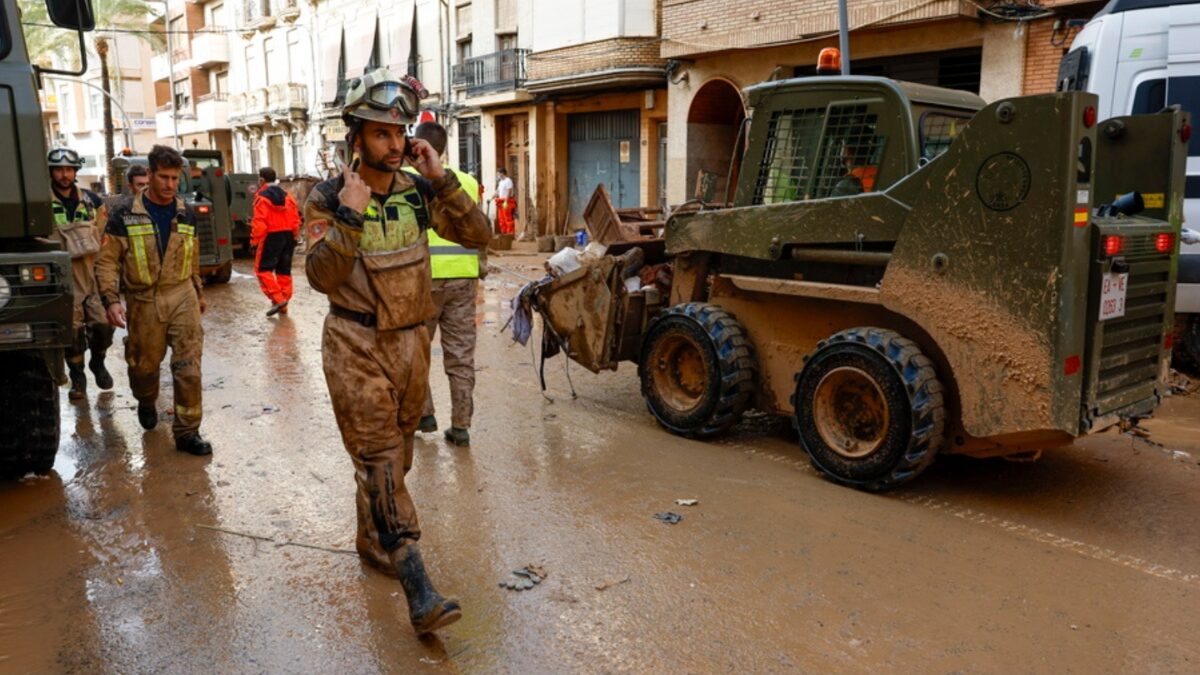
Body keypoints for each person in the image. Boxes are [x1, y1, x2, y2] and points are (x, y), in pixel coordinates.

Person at [303, 69, 491, 634]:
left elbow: (479, 236)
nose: (393, 143)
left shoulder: (417, 190)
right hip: (356, 344)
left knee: (395, 460)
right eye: (380, 133)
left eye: (399, 132)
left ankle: (372, 542)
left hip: (413, 343)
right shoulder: (329, 197)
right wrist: (351, 215)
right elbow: (319, 275)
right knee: (382, 461)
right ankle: (417, 583)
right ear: (356, 137)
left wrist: (444, 181)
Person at [96, 145, 212, 456]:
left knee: (188, 368)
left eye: (175, 178)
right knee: (143, 368)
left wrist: (198, 292)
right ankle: (146, 400)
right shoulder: (123, 214)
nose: (170, 184)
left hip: (181, 295)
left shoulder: (185, 212)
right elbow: (107, 261)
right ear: (149, 175)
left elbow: (193, 257)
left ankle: (188, 432)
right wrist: (111, 300)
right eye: (163, 177)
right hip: (144, 300)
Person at [406, 122, 485, 447]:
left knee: (416, 350)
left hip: (424, 278)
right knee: (461, 353)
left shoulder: (411, 180)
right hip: (464, 277)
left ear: (419, 146)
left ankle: (424, 416)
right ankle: (461, 425)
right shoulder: (465, 180)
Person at [46, 147, 115, 401]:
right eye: (59, 170)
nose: (64, 175)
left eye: (69, 170)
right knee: (72, 332)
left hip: (91, 275)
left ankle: (98, 361)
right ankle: (78, 376)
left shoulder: (92, 202)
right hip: (64, 279)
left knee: (103, 326)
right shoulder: (41, 203)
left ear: (75, 171)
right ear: (51, 172)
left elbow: (104, 239)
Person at [250, 166, 301, 316]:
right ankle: (284, 304)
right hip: (288, 236)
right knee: (283, 271)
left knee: (263, 270)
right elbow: (295, 219)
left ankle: (279, 300)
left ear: (262, 180)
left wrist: (254, 242)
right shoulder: (287, 196)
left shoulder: (261, 197)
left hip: (271, 236)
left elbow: (259, 223)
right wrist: (295, 235)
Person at [493, 167, 515, 235]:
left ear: (502, 173)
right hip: (500, 202)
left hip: (507, 202)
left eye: (498, 174)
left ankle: (510, 233)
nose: (498, 176)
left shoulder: (508, 181)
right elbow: (498, 191)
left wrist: (506, 201)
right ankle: (504, 233)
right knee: (501, 218)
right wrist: (492, 197)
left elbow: (509, 191)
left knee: (507, 218)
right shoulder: (501, 182)